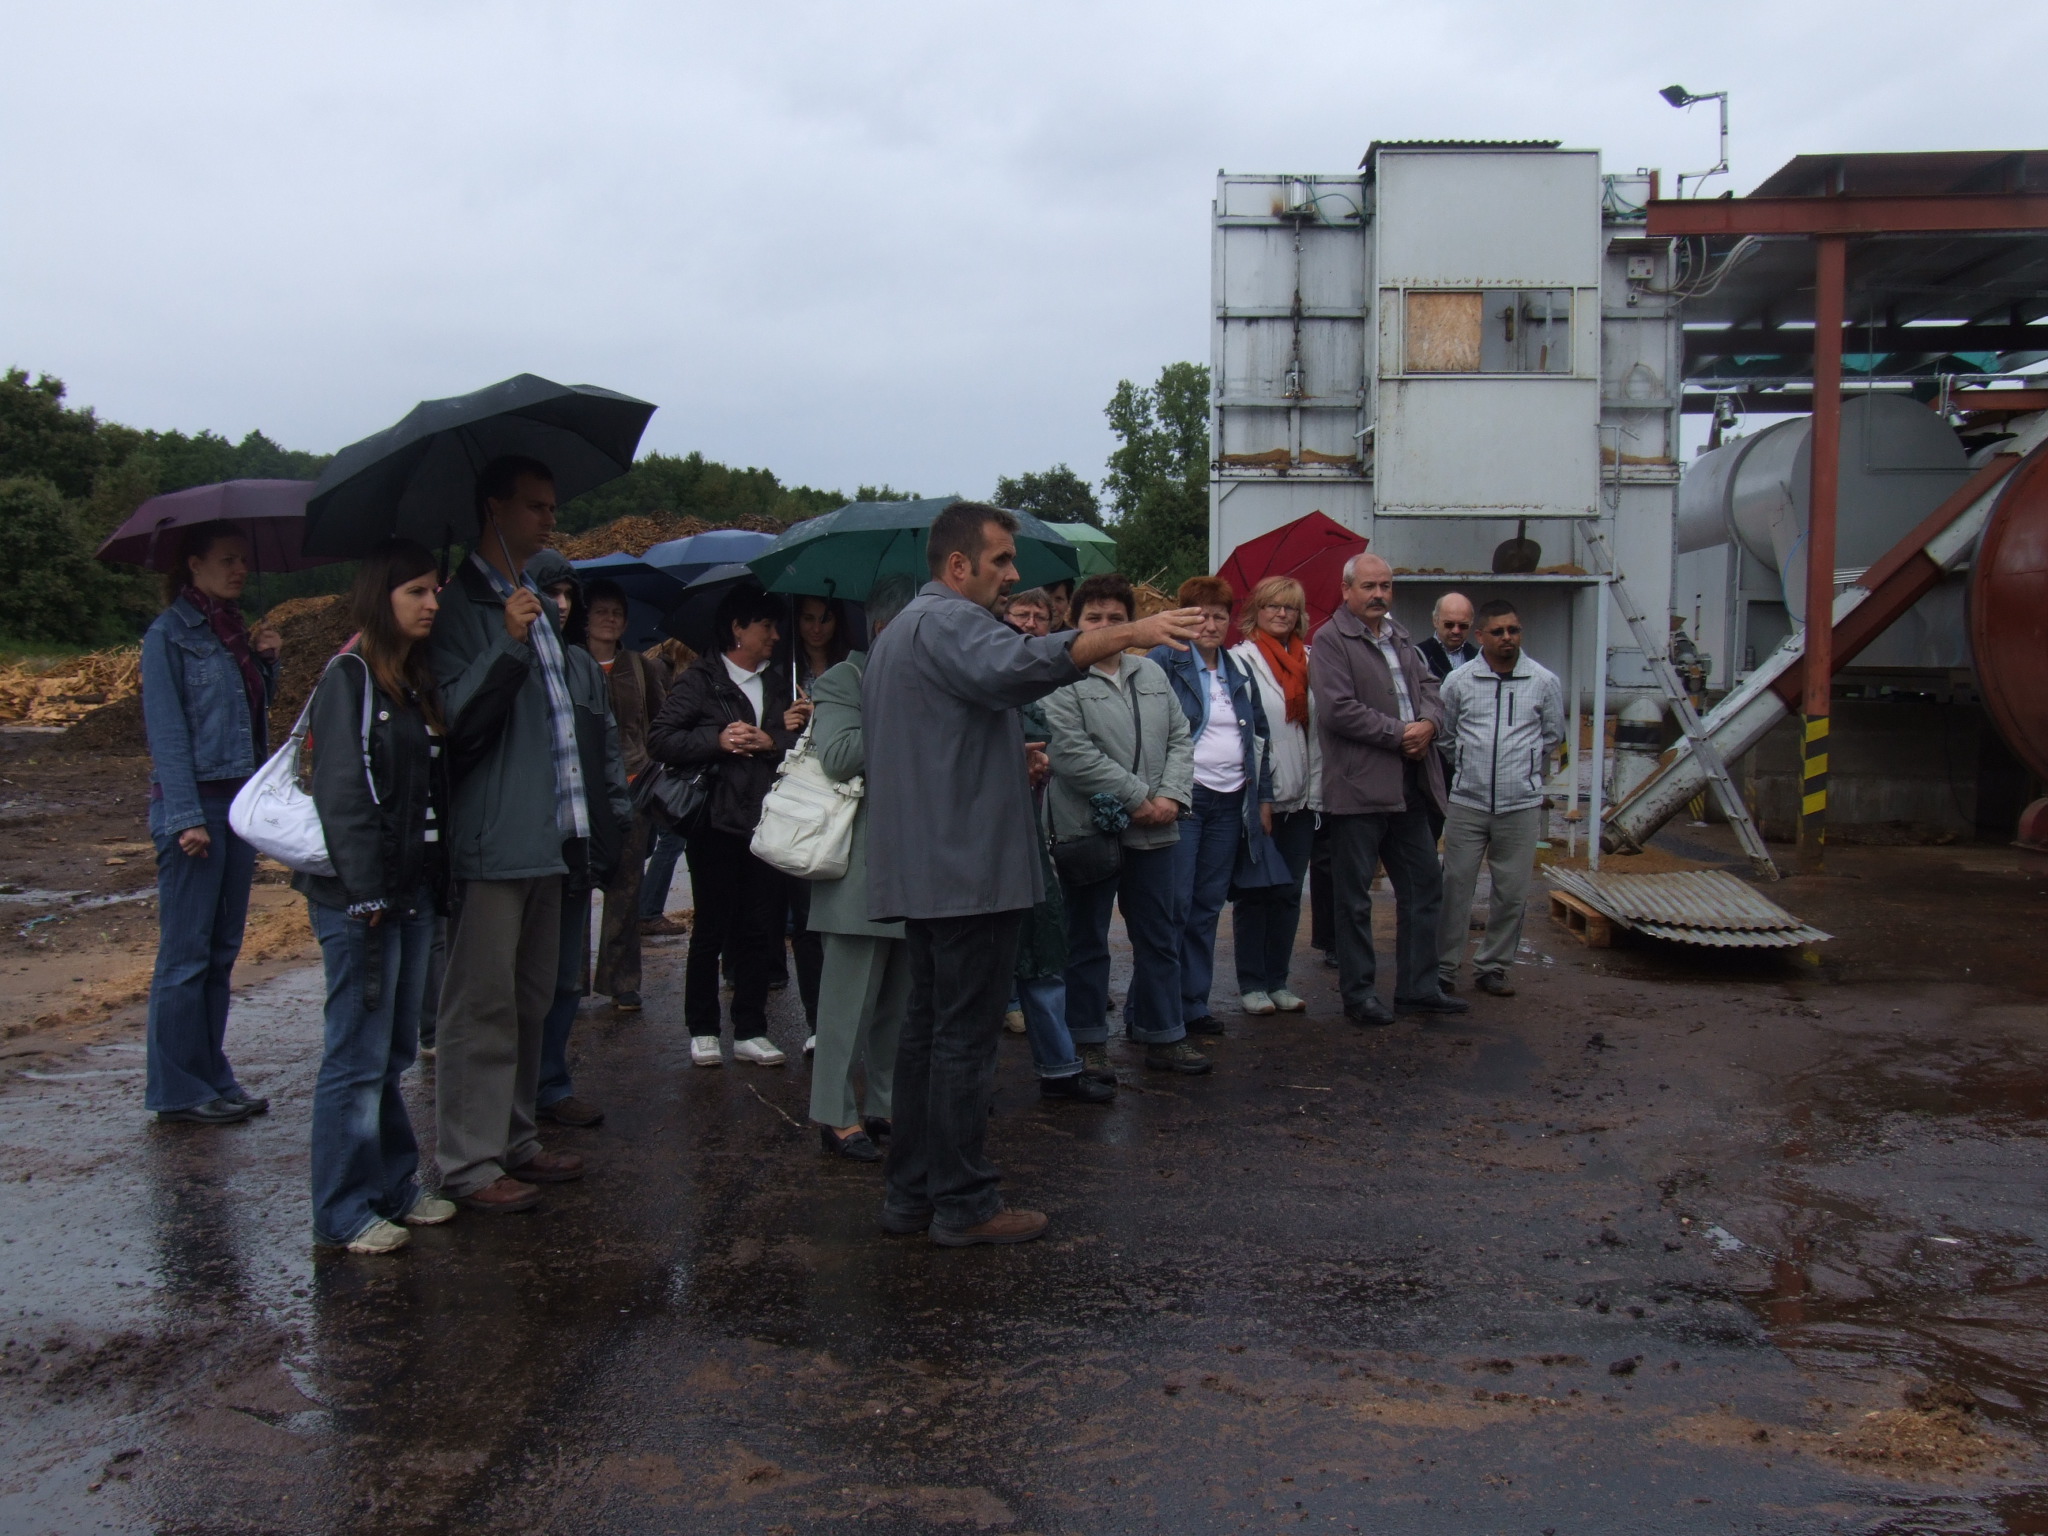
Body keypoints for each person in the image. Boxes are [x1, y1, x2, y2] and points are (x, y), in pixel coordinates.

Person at [863, 503, 1202, 1246]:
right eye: (1002, 560)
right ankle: (963, 1204)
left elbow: (939, 738)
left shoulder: (907, 631)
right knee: (962, 1039)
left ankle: (911, 1196)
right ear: (959, 566)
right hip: (967, 871)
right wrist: (1131, 632)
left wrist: (998, 754)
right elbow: (1026, 664)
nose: (1015, 576)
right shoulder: (951, 621)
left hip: (932, 868)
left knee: (927, 1034)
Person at [425, 455, 592, 1214]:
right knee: (481, 1005)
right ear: (492, 508)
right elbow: (456, 721)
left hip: (548, 834)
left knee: (529, 999)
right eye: (535, 506)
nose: (549, 518)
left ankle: (516, 1138)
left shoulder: (534, 604)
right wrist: (505, 639)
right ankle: (469, 1161)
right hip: (494, 837)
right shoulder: (459, 608)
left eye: (552, 505)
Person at [296, 539, 457, 1254]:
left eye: (434, 591)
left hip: (412, 890)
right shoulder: (350, 679)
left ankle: (393, 1185)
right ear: (380, 598)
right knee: (355, 1056)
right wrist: (365, 896)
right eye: (416, 591)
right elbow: (341, 793)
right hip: (363, 899)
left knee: (390, 1051)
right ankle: (342, 1207)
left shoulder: (412, 682)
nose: (431, 604)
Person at [140, 520, 280, 1125]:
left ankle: (211, 1076)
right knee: (186, 954)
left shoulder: (233, 635)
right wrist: (185, 816)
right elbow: (167, 732)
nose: (239, 569)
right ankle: (177, 1089)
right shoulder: (168, 635)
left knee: (221, 951)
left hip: (237, 804)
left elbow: (247, 722)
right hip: (194, 809)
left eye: (243, 560)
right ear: (193, 565)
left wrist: (267, 665)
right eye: (227, 559)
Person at [1043, 573, 1204, 1076]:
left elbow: (1180, 737)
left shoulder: (1151, 672)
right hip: (1088, 830)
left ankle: (1164, 1033)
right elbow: (1070, 753)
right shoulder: (1059, 677)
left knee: (1159, 935)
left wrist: (1172, 796)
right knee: (1086, 940)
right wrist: (1138, 798)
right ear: (1074, 621)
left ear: (1132, 622)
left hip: (1156, 829)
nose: (1106, 625)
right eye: (1094, 617)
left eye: (1116, 617)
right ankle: (1087, 1038)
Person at [647, 584, 805, 1068]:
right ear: (737, 628)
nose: (775, 635)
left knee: (760, 927)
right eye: (766, 626)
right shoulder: (701, 679)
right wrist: (716, 739)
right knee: (711, 926)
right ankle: (703, 1028)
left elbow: (795, 745)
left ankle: (751, 1029)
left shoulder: (779, 684)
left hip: (766, 821)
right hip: (714, 822)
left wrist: (774, 739)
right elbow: (661, 739)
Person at [1309, 553, 1467, 1027]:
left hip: (1409, 786)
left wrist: (1429, 724)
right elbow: (1337, 710)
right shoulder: (1330, 639)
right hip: (1358, 789)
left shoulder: (1399, 635)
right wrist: (1400, 733)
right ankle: (1359, 994)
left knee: (1424, 885)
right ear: (1346, 590)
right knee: (1354, 898)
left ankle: (1418, 988)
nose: (1379, 594)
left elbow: (1432, 688)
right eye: (1369, 586)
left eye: (1386, 585)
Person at [806, 575, 917, 1161]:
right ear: (883, 629)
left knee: (896, 1003)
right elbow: (838, 756)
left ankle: (883, 1104)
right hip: (857, 869)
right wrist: (895, 701)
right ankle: (834, 1113)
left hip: (914, 864)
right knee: (847, 1004)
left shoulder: (927, 683)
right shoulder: (843, 680)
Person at [1151, 575, 1282, 1040]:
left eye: (1219, 616)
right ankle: (1156, 1011)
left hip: (1231, 802)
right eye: (1201, 615)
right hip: (1185, 798)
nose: (1210, 625)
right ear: (1184, 617)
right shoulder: (1163, 661)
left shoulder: (1237, 669)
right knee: (1175, 904)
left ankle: (1193, 1004)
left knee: (1207, 906)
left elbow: (1259, 738)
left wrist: (1263, 798)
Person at [529, 553, 632, 1130]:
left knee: (568, 975)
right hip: (525, 846)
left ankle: (551, 1083)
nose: (562, 604)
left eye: (569, 593)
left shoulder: (581, 667)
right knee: (522, 978)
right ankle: (514, 1094)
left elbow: (607, 748)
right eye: (552, 592)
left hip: (577, 841)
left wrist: (617, 819)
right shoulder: (515, 659)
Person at [1437, 600, 1564, 999]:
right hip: (1467, 803)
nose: (1507, 638)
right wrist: (1469, 767)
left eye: (1513, 630)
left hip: (1519, 805)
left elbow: (1552, 735)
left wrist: (1524, 769)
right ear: (1480, 636)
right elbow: (1446, 736)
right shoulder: (1458, 682)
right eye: (1498, 631)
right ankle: (1444, 967)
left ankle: (1493, 967)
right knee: (1455, 887)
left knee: (1511, 892)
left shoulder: (1543, 681)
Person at [1229, 575, 1321, 1016]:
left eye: (1290, 607)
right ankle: (1252, 983)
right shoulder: (1240, 661)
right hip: (1262, 798)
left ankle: (1278, 980)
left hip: (1303, 796)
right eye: (1273, 606)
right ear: (1255, 612)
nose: (1282, 613)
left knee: (1288, 892)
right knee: (1255, 892)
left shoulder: (1311, 660)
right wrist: (1257, 797)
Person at [579, 578, 666, 1013]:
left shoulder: (640, 667)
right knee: (574, 888)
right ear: (585, 618)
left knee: (626, 890)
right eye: (601, 612)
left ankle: (622, 981)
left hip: (633, 787)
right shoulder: (570, 664)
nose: (609, 619)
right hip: (579, 790)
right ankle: (569, 979)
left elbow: (659, 724)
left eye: (617, 613)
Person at [1419, 593, 1479, 680]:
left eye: (1463, 625)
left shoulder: (1479, 658)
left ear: (1471, 624)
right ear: (1435, 621)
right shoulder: (1417, 655)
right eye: (1449, 624)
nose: (1456, 631)